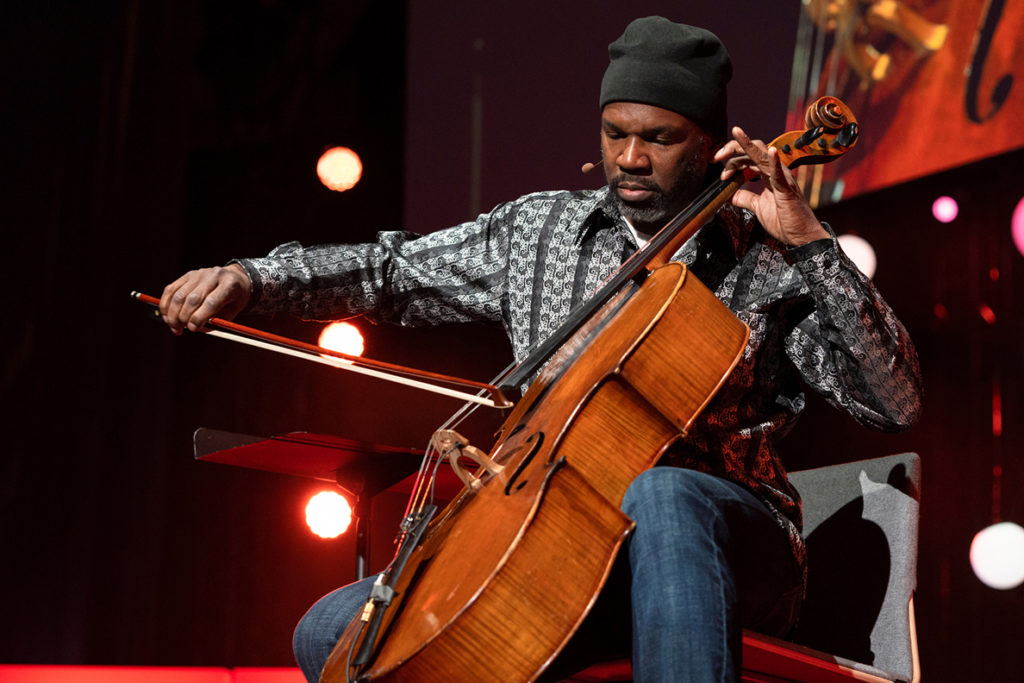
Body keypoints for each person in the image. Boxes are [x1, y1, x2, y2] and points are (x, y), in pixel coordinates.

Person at [159, 16, 922, 683]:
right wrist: (251, 278)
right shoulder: (538, 231)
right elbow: (392, 271)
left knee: (664, 494)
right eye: (615, 132)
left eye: (657, 138)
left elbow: (893, 401)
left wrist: (811, 243)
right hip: (566, 555)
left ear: (711, 143)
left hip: (730, 547)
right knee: (333, 630)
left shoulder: (766, 259)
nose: (629, 157)